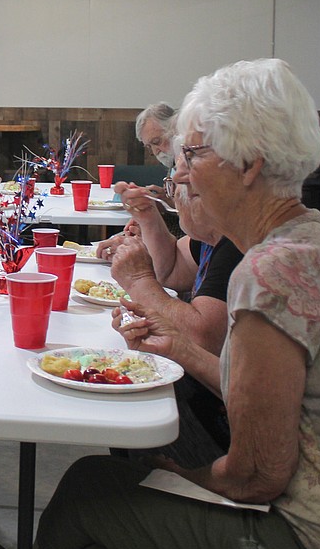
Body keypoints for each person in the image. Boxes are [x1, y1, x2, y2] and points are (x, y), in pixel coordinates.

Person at [36, 59, 320, 549]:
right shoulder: (318, 238)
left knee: (86, 490)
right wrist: (179, 347)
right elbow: (286, 399)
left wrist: (188, 479)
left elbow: (256, 474)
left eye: (192, 154)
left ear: (249, 166)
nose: (177, 172)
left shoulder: (270, 272)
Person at [96, 179, 243, 464]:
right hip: (223, 396)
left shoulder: (240, 245)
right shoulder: (215, 237)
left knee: (127, 405)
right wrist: (147, 216)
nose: (170, 194)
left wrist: (138, 281)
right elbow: (172, 269)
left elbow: (204, 338)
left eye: (176, 183)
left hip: (231, 431)